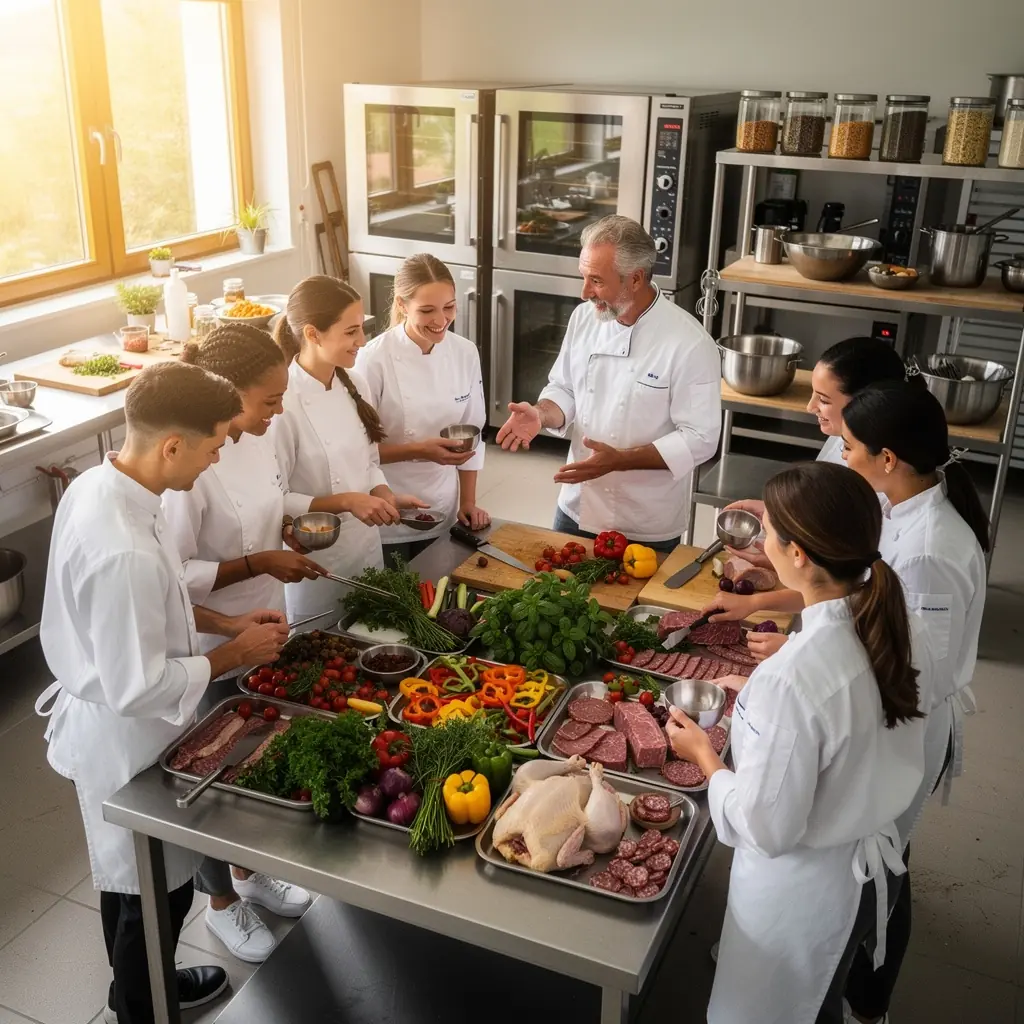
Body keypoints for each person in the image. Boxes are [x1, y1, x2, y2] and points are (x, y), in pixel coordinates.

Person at [35, 363, 289, 1024]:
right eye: (212, 448)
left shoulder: (105, 482)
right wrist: (233, 656)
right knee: (147, 897)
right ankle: (141, 1009)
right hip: (126, 739)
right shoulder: (121, 549)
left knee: (140, 891)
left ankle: (146, 988)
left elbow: (164, 599)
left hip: (139, 727)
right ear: (172, 444)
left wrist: (229, 623)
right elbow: (135, 684)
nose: (215, 461)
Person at [666, 462, 930, 1024]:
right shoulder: (890, 615)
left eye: (769, 533)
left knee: (777, 1011)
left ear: (798, 556)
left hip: (803, 892)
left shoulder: (793, 676)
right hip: (868, 866)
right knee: (820, 999)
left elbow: (767, 826)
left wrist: (707, 759)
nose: (760, 542)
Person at [163, 325, 321, 963]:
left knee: (254, 750)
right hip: (206, 636)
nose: (278, 411)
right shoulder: (187, 469)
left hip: (260, 619)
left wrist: (293, 532)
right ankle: (220, 904)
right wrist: (257, 562)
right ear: (227, 400)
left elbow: (274, 497)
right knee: (211, 773)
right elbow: (171, 581)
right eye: (268, 402)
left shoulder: (256, 436)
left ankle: (249, 874)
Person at [838, 380, 989, 1024]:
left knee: (884, 868)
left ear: (888, 457)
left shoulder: (930, 547)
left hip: (908, 726)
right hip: (894, 708)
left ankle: (869, 1004)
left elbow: (919, 673)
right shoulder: (902, 509)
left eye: (848, 447)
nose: (840, 456)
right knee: (881, 862)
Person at [495, 215, 721, 551]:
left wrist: (619, 460)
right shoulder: (584, 318)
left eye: (596, 281)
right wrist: (542, 414)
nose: (585, 292)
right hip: (576, 505)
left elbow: (701, 439)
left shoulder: (690, 343)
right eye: (583, 277)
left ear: (635, 279)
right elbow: (565, 387)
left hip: (644, 522)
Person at [706, 336, 910, 660]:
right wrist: (784, 516)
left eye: (824, 399)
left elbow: (855, 595)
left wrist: (796, 652)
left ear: (865, 403)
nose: (810, 407)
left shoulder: (883, 496)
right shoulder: (842, 440)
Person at [270, 276, 426, 619]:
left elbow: (369, 460)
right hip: (314, 561)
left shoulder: (355, 382)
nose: (362, 341)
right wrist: (346, 501)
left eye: (362, 328)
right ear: (312, 334)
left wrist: (383, 493)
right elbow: (274, 497)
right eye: (351, 331)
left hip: (365, 549)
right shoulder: (282, 403)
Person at [355, 253, 488, 564]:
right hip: (387, 507)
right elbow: (359, 452)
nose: (440, 320)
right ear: (402, 305)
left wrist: (468, 501)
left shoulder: (465, 353)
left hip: (443, 505)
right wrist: (419, 450)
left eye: (449, 307)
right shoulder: (373, 360)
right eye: (426, 310)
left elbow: (474, 434)